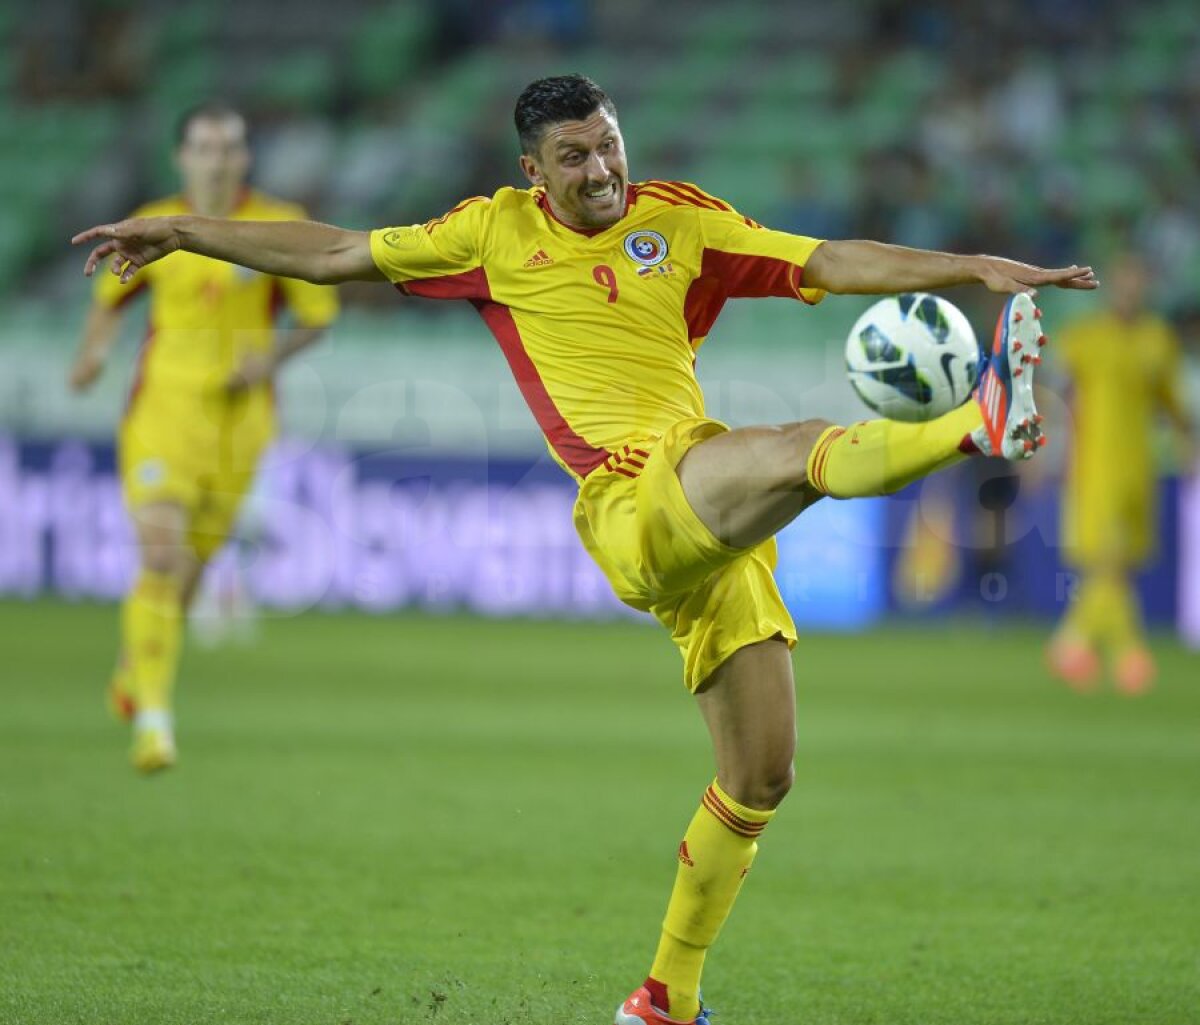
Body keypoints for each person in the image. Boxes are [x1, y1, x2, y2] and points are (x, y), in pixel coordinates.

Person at [73, 75, 1096, 1025]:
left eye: (608, 145)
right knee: (785, 448)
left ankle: (664, 998)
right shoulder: (487, 234)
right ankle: (976, 422)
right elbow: (334, 252)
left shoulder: (681, 219)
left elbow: (822, 260)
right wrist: (180, 233)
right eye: (575, 156)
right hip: (627, 502)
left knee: (761, 777)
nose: (602, 170)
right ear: (534, 170)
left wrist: (968, 265)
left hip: (708, 514)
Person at [68, 103, 340, 773]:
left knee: (185, 579)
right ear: (181, 157)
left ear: (245, 157)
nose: (217, 158)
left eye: (229, 147)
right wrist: (94, 352)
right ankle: (155, 724)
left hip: (240, 424)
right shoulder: (156, 221)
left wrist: (268, 361)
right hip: (163, 412)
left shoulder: (279, 225)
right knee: (160, 555)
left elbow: (316, 315)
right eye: (204, 147)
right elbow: (110, 300)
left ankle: (138, 669)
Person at [1045, 254, 1191, 695]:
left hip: (1140, 468)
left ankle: (1073, 642)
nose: (1131, 290)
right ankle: (1129, 652)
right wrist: (1046, 453)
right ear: (1112, 288)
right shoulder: (1085, 338)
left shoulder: (1158, 339)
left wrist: (1188, 446)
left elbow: (1171, 403)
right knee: (1107, 563)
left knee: (1120, 568)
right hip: (1095, 469)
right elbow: (1056, 395)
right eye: (1125, 282)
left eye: (1138, 282)